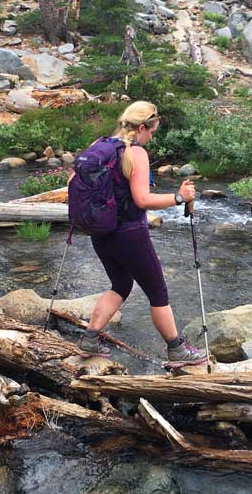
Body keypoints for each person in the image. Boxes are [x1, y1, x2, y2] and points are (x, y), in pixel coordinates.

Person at [77, 101, 207, 366]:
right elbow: (143, 199)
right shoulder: (135, 153)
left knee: (121, 285)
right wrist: (179, 197)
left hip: (101, 232)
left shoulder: (99, 146)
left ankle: (90, 338)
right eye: (152, 132)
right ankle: (177, 350)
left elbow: (74, 183)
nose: (151, 137)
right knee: (158, 293)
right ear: (142, 127)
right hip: (130, 235)